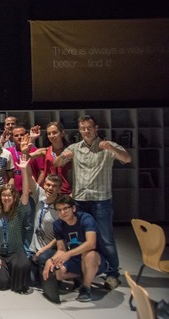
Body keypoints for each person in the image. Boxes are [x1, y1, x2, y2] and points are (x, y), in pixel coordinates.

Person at [53, 115, 131, 290]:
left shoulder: (107, 145)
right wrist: (62, 156)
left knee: (105, 238)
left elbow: (127, 159)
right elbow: (57, 163)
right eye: (82, 128)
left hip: (101, 200)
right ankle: (83, 270)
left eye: (89, 128)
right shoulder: (75, 147)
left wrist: (111, 148)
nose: (86, 131)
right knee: (80, 238)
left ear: (96, 128)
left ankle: (112, 274)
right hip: (80, 201)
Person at [44, 195, 109, 302]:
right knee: (58, 273)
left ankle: (86, 288)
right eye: (59, 210)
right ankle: (84, 275)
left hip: (95, 258)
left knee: (89, 255)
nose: (63, 212)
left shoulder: (86, 219)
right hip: (75, 259)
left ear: (73, 208)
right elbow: (61, 249)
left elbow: (91, 244)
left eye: (66, 208)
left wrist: (68, 254)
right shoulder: (58, 225)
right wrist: (51, 260)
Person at [0, 158, 32, 293]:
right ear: (0, 197)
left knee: (22, 273)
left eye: (9, 195)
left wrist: (23, 170)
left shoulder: (18, 211)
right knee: (2, 284)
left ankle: (11, 271)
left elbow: (26, 193)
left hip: (15, 251)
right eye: (4, 195)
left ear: (14, 197)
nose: (7, 198)